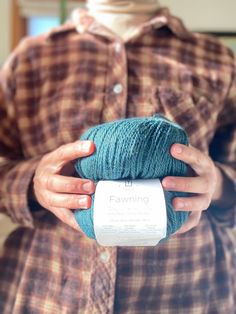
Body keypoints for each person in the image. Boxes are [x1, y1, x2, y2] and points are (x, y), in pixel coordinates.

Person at [0, 0, 235, 313]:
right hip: (47, 291)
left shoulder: (216, 58)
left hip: (187, 292)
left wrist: (216, 183)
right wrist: (34, 182)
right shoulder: (31, 57)